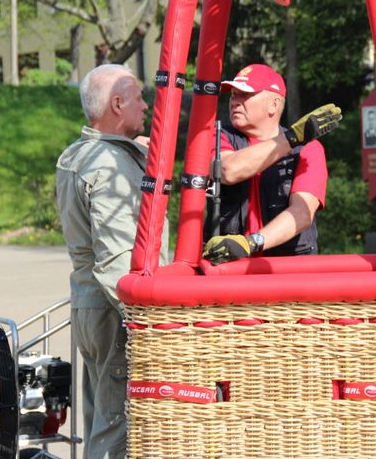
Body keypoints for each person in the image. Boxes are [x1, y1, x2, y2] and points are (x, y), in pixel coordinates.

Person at [56, 64, 168, 459]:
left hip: (90, 305)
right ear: (117, 104)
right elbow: (117, 261)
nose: (145, 104)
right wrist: (151, 323)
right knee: (117, 429)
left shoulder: (82, 153)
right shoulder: (109, 166)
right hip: (115, 309)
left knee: (101, 416)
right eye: (138, 96)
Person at [202, 63, 342, 263]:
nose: (234, 101)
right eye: (233, 95)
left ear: (274, 105)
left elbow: (301, 214)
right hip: (230, 267)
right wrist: (291, 139)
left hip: (287, 273)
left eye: (245, 95)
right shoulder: (218, 137)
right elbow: (227, 170)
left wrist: (250, 244)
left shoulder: (309, 148)